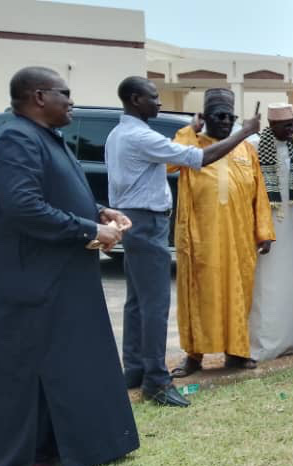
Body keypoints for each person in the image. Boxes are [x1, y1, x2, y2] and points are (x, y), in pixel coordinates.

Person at [0, 66, 138, 466]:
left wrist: (100, 211)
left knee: (69, 362)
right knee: (30, 370)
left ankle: (74, 447)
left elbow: (57, 191)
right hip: (28, 279)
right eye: (64, 93)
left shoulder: (46, 137)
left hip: (60, 273)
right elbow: (24, 207)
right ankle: (29, 457)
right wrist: (90, 230)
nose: (72, 102)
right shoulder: (14, 138)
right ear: (37, 97)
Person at [106, 76, 257, 406]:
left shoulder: (117, 133)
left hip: (131, 218)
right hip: (146, 222)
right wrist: (246, 131)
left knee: (136, 303)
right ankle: (156, 382)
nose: (159, 103)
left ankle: (134, 369)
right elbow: (197, 159)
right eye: (153, 97)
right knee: (154, 305)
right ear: (135, 100)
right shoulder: (139, 136)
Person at [169, 88, 276, 376]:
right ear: (205, 117)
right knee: (198, 296)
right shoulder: (192, 147)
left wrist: (264, 231)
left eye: (231, 116)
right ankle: (193, 356)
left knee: (238, 295)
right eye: (220, 116)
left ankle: (236, 353)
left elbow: (259, 194)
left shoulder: (246, 150)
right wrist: (191, 129)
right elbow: (169, 163)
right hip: (201, 239)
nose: (226, 121)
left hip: (239, 239)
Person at [248, 103, 293, 361]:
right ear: (271, 125)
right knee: (267, 285)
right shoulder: (254, 147)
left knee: (292, 282)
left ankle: (291, 340)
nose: (292, 129)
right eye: (286, 125)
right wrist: (260, 229)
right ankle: (266, 344)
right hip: (267, 226)